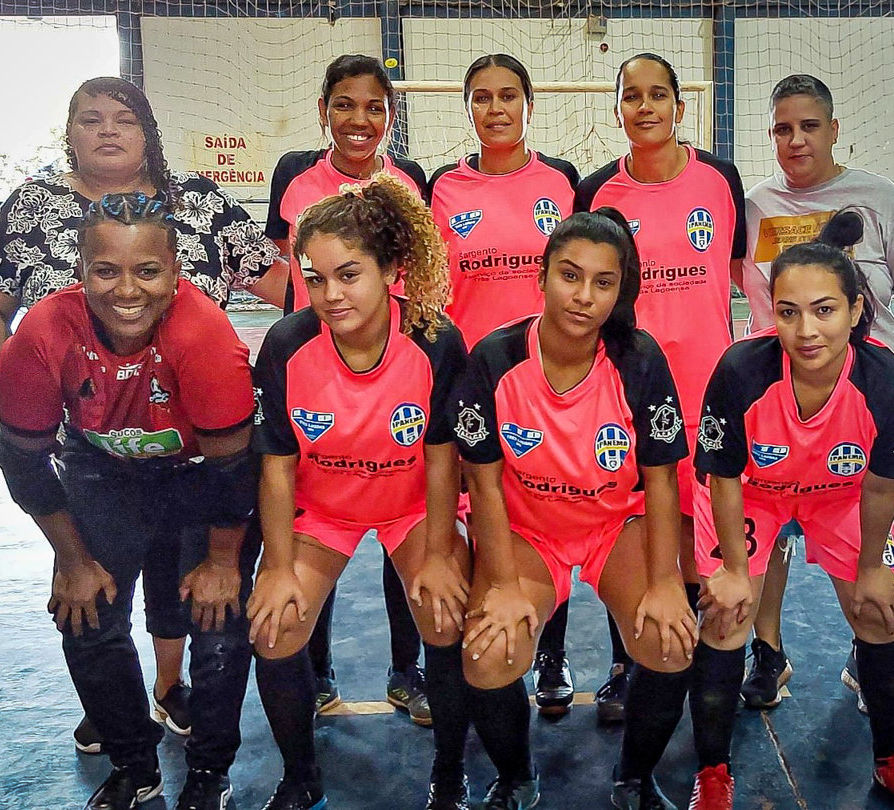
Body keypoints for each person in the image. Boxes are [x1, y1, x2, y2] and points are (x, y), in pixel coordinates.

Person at [0, 75, 285, 752]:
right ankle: (119, 716)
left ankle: (169, 689)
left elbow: (281, 282)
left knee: (193, 585)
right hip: (92, 444)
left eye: (124, 117)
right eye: (91, 119)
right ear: (70, 132)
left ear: (148, 132)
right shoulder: (33, 206)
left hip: (199, 438)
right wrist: (10, 412)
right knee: (94, 585)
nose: (108, 129)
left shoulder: (196, 200)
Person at [0, 193, 261, 810]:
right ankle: (134, 764)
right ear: (80, 270)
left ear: (176, 271)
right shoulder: (41, 333)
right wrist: (72, 561)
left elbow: (233, 468)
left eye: (147, 271)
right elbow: (22, 460)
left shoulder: (204, 336)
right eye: (105, 270)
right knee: (84, 614)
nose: (127, 290)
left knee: (219, 622)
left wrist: (223, 562)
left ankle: (207, 776)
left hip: (200, 475)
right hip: (103, 472)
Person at [690, 211, 894, 810]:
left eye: (825, 309)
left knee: (880, 611)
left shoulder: (893, 388)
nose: (806, 329)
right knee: (727, 615)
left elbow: (883, 487)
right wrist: (732, 569)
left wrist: (873, 567)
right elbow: (723, 479)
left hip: (843, 495)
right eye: (788, 311)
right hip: (755, 492)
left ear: (857, 310)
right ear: (771, 311)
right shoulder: (740, 371)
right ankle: (712, 774)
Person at [455, 208, 698, 810]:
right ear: (541, 276)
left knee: (669, 643)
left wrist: (668, 581)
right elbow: (483, 485)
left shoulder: (638, 359)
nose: (584, 296)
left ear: (620, 291)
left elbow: (662, 480)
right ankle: (515, 777)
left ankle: (635, 779)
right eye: (570, 275)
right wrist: (504, 582)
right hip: (527, 531)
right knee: (488, 654)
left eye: (603, 282)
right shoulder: (495, 359)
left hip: (614, 525)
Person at [249, 174, 471, 810]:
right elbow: (276, 466)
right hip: (325, 510)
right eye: (314, 278)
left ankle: (451, 775)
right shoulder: (288, 345)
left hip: (411, 507)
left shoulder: (434, 341)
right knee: (274, 627)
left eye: (348, 275)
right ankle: (300, 777)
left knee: (445, 614)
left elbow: (440, 459)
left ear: (392, 269)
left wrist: (434, 553)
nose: (329, 293)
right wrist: (281, 565)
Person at [738, 74, 894, 711]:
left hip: (862, 410)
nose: (795, 140)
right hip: (776, 406)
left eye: (808, 126)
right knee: (764, 528)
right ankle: (766, 654)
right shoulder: (755, 204)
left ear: (832, 129)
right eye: (782, 128)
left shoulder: (878, 197)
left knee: (864, 526)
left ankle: (867, 642)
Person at [575, 52, 747, 722]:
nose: (644, 107)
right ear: (616, 107)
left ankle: (714, 654)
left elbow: (740, 277)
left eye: (657, 95)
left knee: (703, 530)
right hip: (626, 390)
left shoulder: (720, 179)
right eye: (631, 96)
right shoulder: (596, 192)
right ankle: (628, 662)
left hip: (710, 389)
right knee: (635, 526)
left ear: (680, 104)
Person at [265, 54, 430, 721]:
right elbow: (279, 264)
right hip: (314, 370)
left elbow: (420, 274)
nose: (359, 119)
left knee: (402, 507)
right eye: (344, 104)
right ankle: (316, 670)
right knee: (316, 509)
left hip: (388, 367)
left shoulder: (410, 179)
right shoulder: (293, 175)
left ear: (390, 115)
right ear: (323, 109)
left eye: (374, 106)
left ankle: (405, 668)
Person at [427, 53, 581, 715]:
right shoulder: (444, 187)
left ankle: (551, 654)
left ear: (528, 105)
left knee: (551, 513)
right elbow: (434, 291)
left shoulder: (564, 181)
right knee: (480, 519)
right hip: (477, 387)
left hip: (552, 381)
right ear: (467, 107)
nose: (496, 109)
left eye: (508, 96)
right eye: (482, 97)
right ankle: (464, 640)